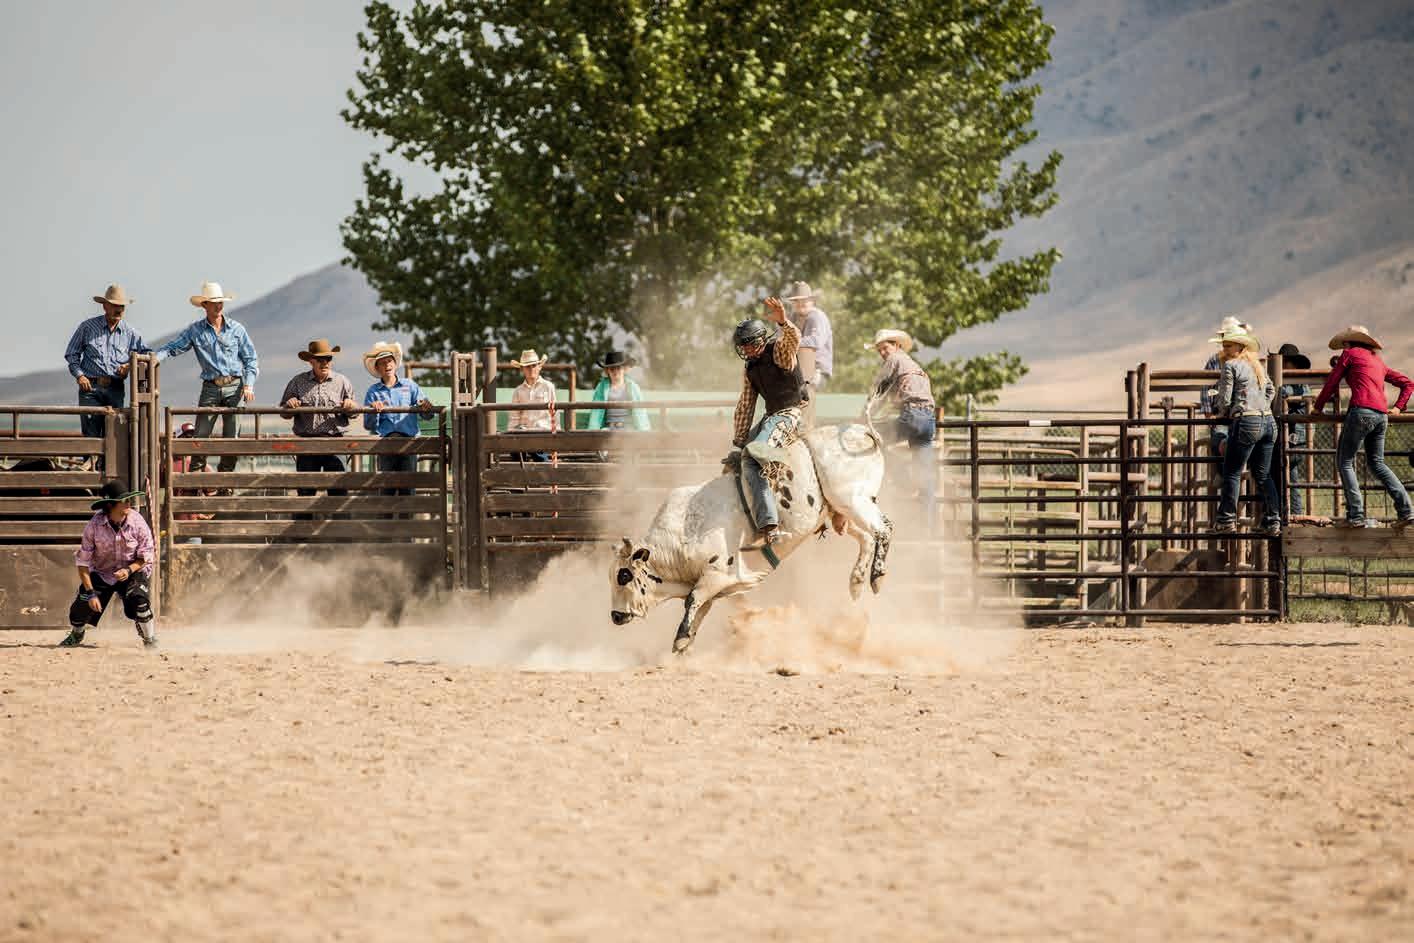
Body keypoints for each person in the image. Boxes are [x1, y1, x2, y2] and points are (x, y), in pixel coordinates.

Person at [1311, 325, 1414, 528]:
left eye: (1344, 343)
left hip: (1361, 412)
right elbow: (1408, 383)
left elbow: (1332, 381)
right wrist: (1398, 407)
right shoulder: (1377, 360)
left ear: (1349, 342)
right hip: (1381, 416)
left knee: (1345, 461)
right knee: (1378, 463)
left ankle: (1356, 515)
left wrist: (1318, 407)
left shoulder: (1349, 354)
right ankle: (1406, 511)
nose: (1343, 347)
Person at [154, 281, 259, 474]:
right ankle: (195, 478)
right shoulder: (195, 330)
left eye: (220, 302)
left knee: (233, 438)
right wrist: (155, 358)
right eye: (214, 302)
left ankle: (225, 480)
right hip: (211, 387)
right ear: (205, 305)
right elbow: (173, 347)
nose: (219, 306)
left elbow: (251, 359)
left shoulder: (237, 329)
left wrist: (249, 385)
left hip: (235, 386)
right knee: (201, 436)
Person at [730, 297, 806, 544]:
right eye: (743, 346)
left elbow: (793, 340)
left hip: (790, 414)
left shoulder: (778, 352)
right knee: (739, 458)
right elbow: (746, 405)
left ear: (761, 340)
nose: (746, 350)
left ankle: (770, 525)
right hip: (771, 417)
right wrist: (739, 440)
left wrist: (783, 321)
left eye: (749, 344)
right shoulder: (750, 369)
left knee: (756, 455)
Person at [58, 480, 157, 649]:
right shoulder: (94, 526)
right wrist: (91, 594)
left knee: (140, 600)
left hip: (133, 570)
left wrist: (129, 570)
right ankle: (77, 633)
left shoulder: (137, 522)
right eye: (124, 500)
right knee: (81, 607)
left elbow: (147, 554)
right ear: (111, 505)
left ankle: (149, 639)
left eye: (129, 499)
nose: (129, 503)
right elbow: (82, 563)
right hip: (102, 572)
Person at [1210, 326, 1280, 535]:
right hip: (1268, 421)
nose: (1224, 349)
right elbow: (1271, 389)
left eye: (1228, 345)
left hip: (1247, 421)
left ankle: (1226, 519)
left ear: (1240, 347)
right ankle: (1273, 520)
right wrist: (1262, 404)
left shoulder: (1231, 365)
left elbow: (1224, 398)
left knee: (1232, 471)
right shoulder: (1257, 365)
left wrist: (1223, 411)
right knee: (1263, 474)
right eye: (1224, 345)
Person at [867, 328, 938, 530]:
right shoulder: (913, 365)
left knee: (873, 438)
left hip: (912, 416)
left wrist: (866, 414)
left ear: (896, 346)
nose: (883, 353)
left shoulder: (894, 360)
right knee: (925, 476)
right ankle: (928, 529)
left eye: (885, 348)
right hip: (927, 420)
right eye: (880, 350)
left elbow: (879, 389)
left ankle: (902, 478)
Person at [64, 284, 148, 441]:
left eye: (122, 306)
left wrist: (130, 366)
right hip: (90, 388)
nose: (119, 310)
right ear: (105, 306)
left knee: (115, 435)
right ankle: (91, 457)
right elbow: (72, 353)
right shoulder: (87, 327)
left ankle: (105, 458)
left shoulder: (131, 333)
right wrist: (80, 376)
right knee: (91, 436)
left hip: (116, 389)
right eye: (115, 305)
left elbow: (147, 356)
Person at [279, 340, 357, 510]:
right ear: (311, 361)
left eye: (328, 359)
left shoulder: (342, 381)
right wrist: (289, 405)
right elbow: (283, 412)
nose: (325, 363)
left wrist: (350, 406)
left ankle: (339, 526)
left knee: (338, 490)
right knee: (305, 492)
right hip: (307, 443)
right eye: (320, 360)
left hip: (335, 442)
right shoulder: (297, 382)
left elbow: (355, 412)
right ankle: (303, 527)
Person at [362, 342, 434, 498]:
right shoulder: (373, 392)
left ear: (395, 364)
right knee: (386, 490)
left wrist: (426, 406)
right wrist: (374, 411)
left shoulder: (410, 386)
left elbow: (428, 415)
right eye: (382, 363)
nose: (387, 365)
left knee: (408, 489)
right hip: (386, 444)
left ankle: (406, 514)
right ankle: (387, 514)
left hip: (408, 443)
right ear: (377, 368)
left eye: (389, 361)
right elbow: (368, 425)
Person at [1202, 316, 1255, 461]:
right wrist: (1211, 413)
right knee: (1223, 445)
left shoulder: (1248, 360)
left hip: (1239, 412)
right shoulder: (1249, 361)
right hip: (1235, 413)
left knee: (1226, 445)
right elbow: (1207, 387)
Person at [1275, 343, 1312, 517]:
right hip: (1298, 435)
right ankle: (1292, 514)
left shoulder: (1291, 383)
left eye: (1285, 362)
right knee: (1290, 475)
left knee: (1286, 473)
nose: (1282, 365)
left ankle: (1289, 514)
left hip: (1294, 435)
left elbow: (1283, 394)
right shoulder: (1302, 383)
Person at [506, 349, 557, 462]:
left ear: (539, 367)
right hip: (524, 435)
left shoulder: (548, 387)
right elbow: (514, 417)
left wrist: (556, 435)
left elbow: (554, 413)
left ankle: (539, 467)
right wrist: (511, 435)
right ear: (522, 369)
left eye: (533, 366)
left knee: (536, 450)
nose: (531, 369)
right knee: (516, 451)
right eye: (527, 367)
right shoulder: (518, 391)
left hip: (543, 433)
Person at [785, 281, 833, 394]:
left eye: (804, 300)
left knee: (806, 391)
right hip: (797, 369)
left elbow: (816, 341)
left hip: (818, 369)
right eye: (796, 301)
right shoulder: (792, 317)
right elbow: (781, 337)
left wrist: (791, 342)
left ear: (812, 301)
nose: (800, 303)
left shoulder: (817, 317)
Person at [585, 350, 650, 431]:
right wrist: (593, 430)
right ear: (607, 371)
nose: (615, 371)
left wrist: (643, 430)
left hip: (628, 427)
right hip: (609, 427)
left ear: (624, 369)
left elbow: (640, 411)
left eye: (618, 368)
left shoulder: (632, 387)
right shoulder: (601, 387)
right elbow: (596, 412)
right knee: (603, 433)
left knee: (631, 435)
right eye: (612, 369)